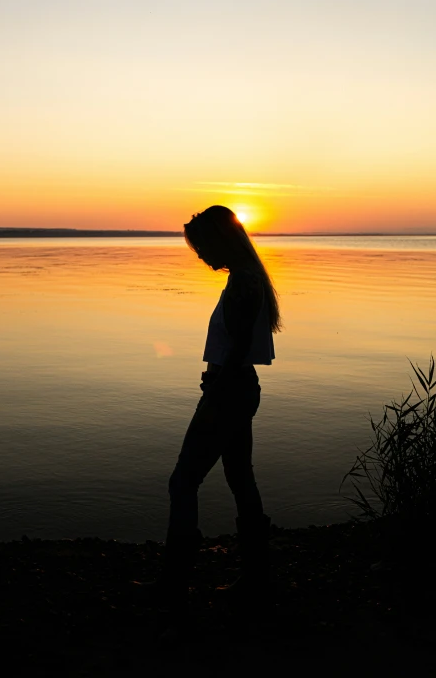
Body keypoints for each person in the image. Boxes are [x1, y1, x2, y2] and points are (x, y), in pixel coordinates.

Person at [132, 205, 282, 621]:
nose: (199, 255)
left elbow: (234, 350)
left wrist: (216, 387)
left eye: (201, 246)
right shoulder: (248, 279)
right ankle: (256, 578)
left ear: (220, 239)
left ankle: (173, 581)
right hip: (238, 389)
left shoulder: (242, 285)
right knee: (240, 481)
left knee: (183, 481)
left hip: (228, 393)